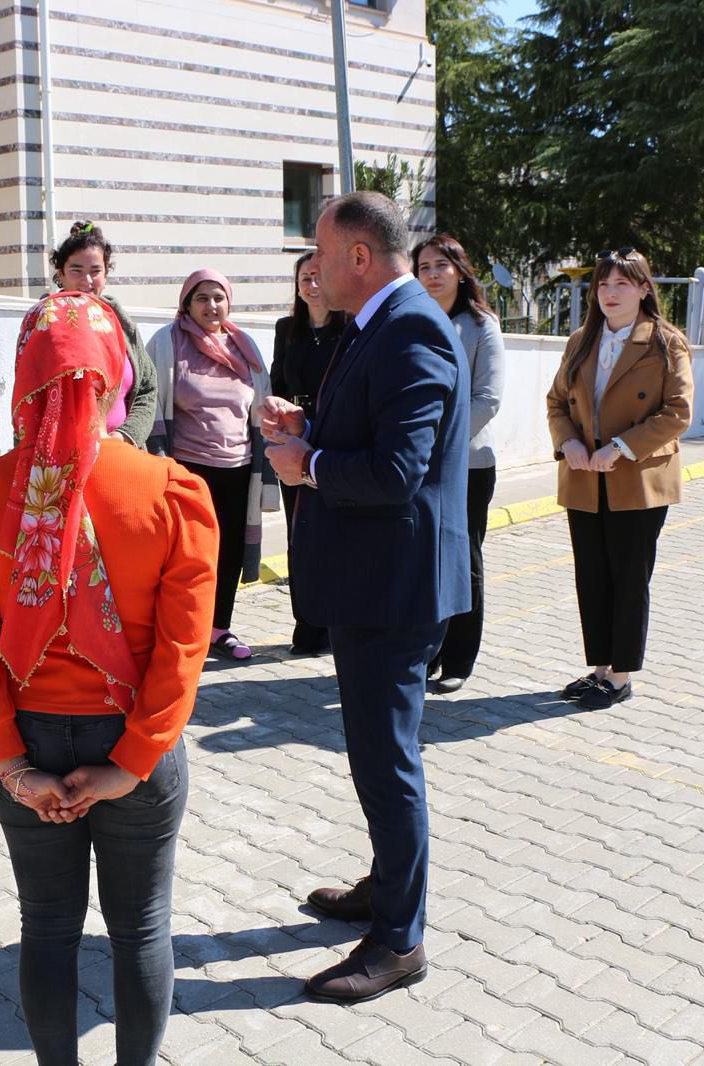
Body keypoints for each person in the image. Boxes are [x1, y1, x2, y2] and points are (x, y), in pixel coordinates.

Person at [0, 291, 217, 1066]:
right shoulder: (175, 493)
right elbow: (183, 649)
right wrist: (132, 762)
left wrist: (11, 764)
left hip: (27, 741)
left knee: (48, 928)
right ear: (115, 374)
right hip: (135, 741)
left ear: (23, 375)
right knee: (142, 929)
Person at [261, 191, 470, 1003]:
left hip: (394, 590)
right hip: (373, 582)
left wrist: (308, 467)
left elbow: (396, 472)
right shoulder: (375, 322)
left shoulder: (413, 327)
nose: (311, 268)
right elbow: (373, 431)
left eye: (321, 252)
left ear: (358, 255)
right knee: (376, 755)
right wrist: (308, 429)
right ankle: (388, 885)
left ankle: (399, 940)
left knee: (388, 763)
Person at [546, 247, 693, 709]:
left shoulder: (666, 342)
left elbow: (678, 412)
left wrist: (621, 446)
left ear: (644, 289)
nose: (610, 293)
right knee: (591, 576)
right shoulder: (581, 340)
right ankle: (599, 668)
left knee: (628, 578)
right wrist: (568, 442)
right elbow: (556, 402)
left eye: (622, 284)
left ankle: (621, 675)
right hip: (584, 476)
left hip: (637, 477)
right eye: (603, 285)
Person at [145, 269, 277, 661]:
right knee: (187, 553)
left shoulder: (244, 346)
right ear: (187, 303)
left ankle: (220, 627)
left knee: (230, 549)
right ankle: (183, 627)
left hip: (240, 466)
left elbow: (262, 402)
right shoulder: (168, 342)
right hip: (189, 468)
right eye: (202, 298)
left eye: (219, 297)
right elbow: (148, 400)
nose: (211, 305)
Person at [414, 234, 505, 693]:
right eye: (424, 267)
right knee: (423, 560)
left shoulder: (481, 325)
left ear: (460, 271)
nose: (432, 274)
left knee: (463, 559)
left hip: (467, 464)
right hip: (417, 463)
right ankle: (425, 653)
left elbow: (487, 399)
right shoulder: (412, 320)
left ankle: (458, 659)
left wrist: (438, 443)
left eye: (441, 265)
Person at [270, 250, 346, 656]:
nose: (312, 285)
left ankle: (334, 625)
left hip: (332, 438)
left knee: (332, 536)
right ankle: (306, 625)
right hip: (293, 440)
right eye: (305, 279)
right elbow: (277, 382)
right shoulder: (287, 329)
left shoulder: (348, 328)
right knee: (298, 536)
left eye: (318, 276)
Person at [45, 220, 158, 447]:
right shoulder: (43, 325)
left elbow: (147, 388)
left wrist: (125, 436)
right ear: (60, 274)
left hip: (122, 452)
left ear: (106, 274)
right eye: (76, 270)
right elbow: (28, 399)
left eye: (95, 271)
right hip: (63, 456)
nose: (87, 281)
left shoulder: (122, 323)